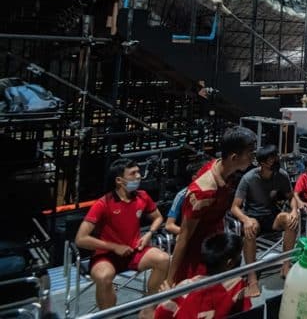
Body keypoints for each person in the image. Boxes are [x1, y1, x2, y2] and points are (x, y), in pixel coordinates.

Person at [75, 159, 170, 310]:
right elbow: (81, 239)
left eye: (138, 172)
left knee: (163, 259)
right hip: (106, 255)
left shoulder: (143, 196)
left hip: (134, 252)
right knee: (104, 277)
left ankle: (151, 307)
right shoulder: (102, 204)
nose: (138, 176)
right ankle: (109, 314)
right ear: (119, 180)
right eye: (133, 173)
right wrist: (114, 247)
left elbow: (158, 217)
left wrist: (149, 234)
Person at [167, 126, 257, 285]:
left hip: (217, 245)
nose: (253, 157)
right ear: (234, 157)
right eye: (250, 153)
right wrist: (170, 281)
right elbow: (184, 237)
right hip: (199, 256)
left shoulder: (224, 170)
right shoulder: (203, 192)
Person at [231, 145, 300, 296]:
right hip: (253, 217)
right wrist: (245, 219)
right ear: (262, 163)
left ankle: (286, 265)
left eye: (276, 156)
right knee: (250, 228)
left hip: (272, 217)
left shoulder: (281, 175)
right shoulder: (248, 178)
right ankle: (252, 277)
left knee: (290, 220)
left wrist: (294, 210)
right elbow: (235, 207)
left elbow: (291, 197)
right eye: (271, 159)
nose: (276, 160)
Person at [154, 233, 250, 319]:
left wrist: (168, 298)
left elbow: (161, 314)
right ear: (230, 262)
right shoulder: (237, 284)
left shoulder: (184, 289)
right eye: (238, 255)